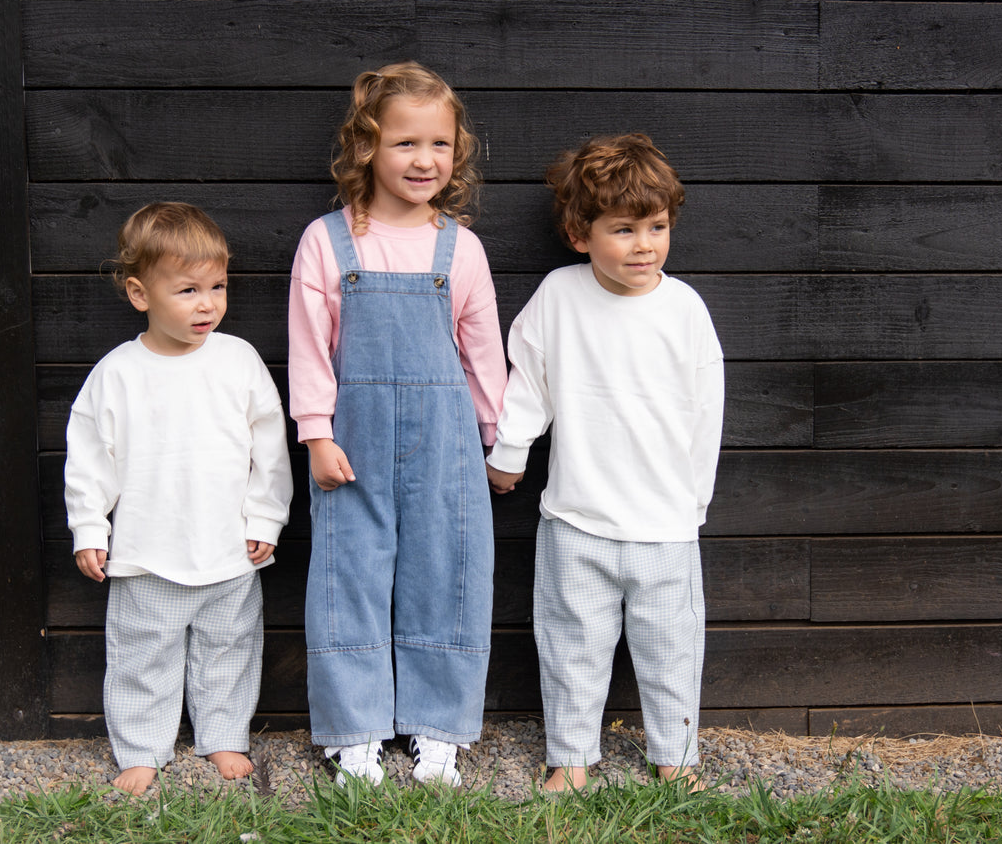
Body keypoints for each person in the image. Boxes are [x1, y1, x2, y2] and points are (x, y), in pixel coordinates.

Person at [485, 133, 724, 792]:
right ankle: (570, 756)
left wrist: (692, 502)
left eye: (657, 226)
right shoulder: (559, 297)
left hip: (664, 526)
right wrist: (508, 453)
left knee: (672, 650)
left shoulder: (683, 311)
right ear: (579, 232)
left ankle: (675, 756)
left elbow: (706, 413)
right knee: (570, 646)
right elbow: (528, 381)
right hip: (576, 519)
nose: (644, 244)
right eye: (623, 229)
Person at [288, 62, 505, 787]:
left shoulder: (460, 248)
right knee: (348, 575)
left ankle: (436, 726)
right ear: (366, 150)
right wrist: (316, 432)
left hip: (445, 445)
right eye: (405, 143)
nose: (424, 160)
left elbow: (482, 353)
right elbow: (309, 345)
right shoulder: (328, 241)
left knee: (445, 572)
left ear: (456, 154)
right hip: (352, 441)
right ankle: (355, 730)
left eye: (439, 144)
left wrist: (494, 440)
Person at [65, 202, 292, 796]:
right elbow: (90, 459)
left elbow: (269, 447)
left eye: (217, 286)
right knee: (144, 656)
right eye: (187, 289)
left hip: (227, 548)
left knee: (230, 649)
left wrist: (267, 514)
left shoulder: (238, 361)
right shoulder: (118, 373)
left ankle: (223, 734)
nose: (207, 303)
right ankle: (142, 749)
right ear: (140, 293)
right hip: (147, 551)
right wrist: (90, 527)